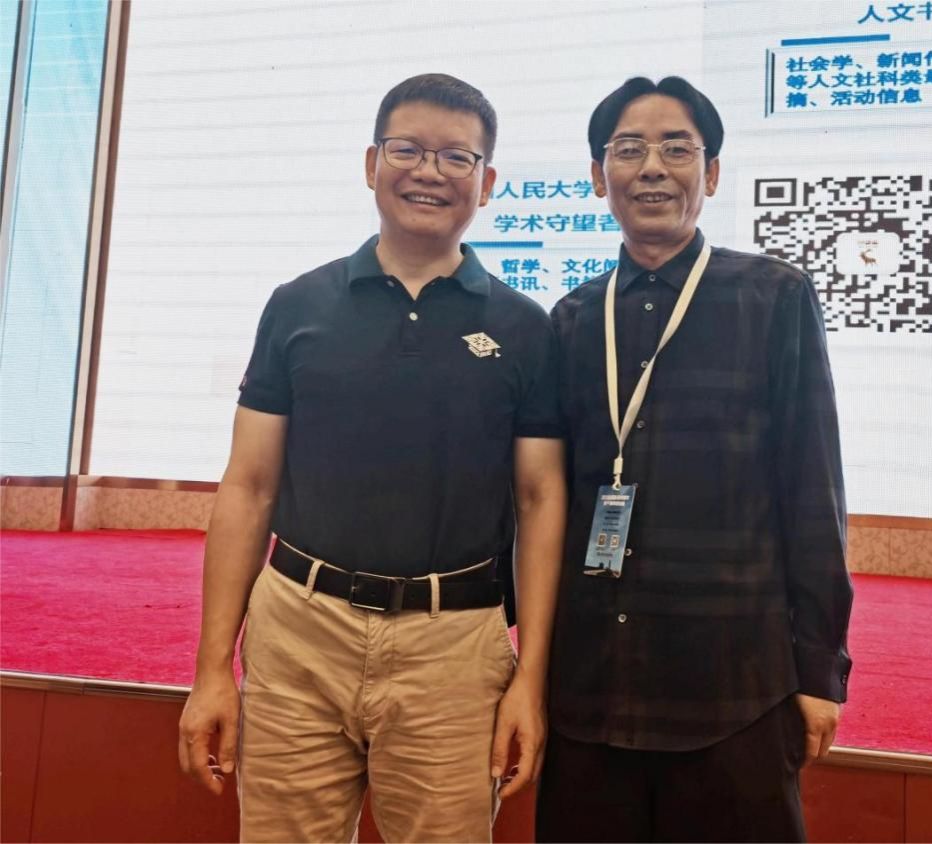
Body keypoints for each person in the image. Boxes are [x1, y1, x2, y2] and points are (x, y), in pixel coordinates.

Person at [177, 73, 566, 843]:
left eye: (456, 157)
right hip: (300, 631)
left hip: (453, 645)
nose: (429, 172)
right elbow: (249, 487)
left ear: (487, 182)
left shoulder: (525, 328)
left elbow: (540, 500)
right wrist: (212, 668)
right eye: (407, 149)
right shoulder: (299, 305)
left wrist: (532, 678)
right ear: (371, 163)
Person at [537, 76, 853, 843]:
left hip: (733, 688)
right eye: (629, 150)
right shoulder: (572, 318)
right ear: (598, 176)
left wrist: (820, 669)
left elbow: (812, 490)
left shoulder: (773, 297)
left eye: (676, 149)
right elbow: (546, 500)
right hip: (593, 690)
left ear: (710, 174)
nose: (652, 167)